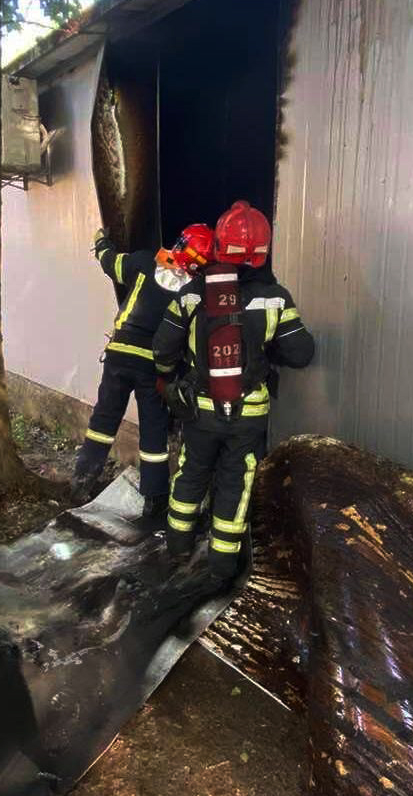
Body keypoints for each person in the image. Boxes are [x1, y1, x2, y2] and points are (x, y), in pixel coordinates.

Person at [152, 202, 314, 579]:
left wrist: (169, 380)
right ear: (264, 251)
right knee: (236, 483)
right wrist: (265, 346)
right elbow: (301, 353)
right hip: (249, 414)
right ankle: (223, 566)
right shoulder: (275, 298)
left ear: (219, 246)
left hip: (200, 410)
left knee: (191, 472)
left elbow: (162, 349)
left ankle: (177, 547)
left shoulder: (191, 294)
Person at [71, 224, 214, 517]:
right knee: (153, 431)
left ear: (179, 243)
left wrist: (101, 242)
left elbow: (111, 264)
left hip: (120, 357)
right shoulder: (194, 291)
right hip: (154, 368)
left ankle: (82, 480)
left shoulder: (144, 261)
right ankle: (155, 499)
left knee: (104, 419)